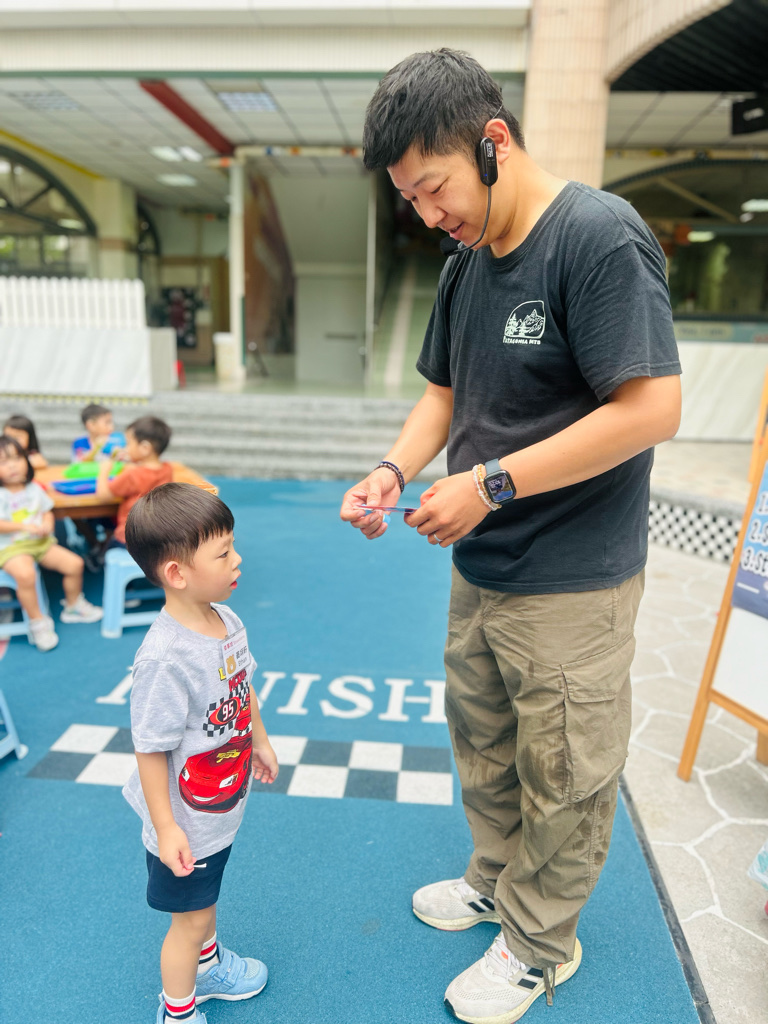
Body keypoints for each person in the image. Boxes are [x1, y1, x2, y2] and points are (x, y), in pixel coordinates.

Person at [340, 48, 682, 1024]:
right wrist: (394, 469)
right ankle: (496, 880)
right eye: (410, 199)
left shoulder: (597, 238)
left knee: (566, 771)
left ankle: (538, 943)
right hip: (482, 569)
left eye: (434, 187)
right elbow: (441, 395)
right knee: (486, 744)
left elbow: (652, 408)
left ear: (493, 141)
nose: (428, 215)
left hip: (575, 576)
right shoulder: (466, 265)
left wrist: (491, 484)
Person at [121, 482, 278, 1024]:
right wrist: (166, 828)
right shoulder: (165, 659)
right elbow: (149, 748)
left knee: (204, 902)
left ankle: (208, 968)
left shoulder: (226, 620)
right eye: (223, 553)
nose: (238, 560)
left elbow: (242, 682)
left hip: (217, 809)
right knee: (187, 922)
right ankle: (178, 1012)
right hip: (185, 823)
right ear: (177, 573)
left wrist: (259, 738)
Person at [0, 435, 102, 651]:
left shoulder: (34, 488)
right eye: (3, 462)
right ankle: (38, 623)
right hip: (11, 548)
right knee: (26, 575)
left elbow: (47, 511)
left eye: (17, 458)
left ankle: (73, 606)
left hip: (40, 543)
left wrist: (47, 524)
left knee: (75, 564)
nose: (12, 466)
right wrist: (24, 527)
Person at [94, 416, 174, 549]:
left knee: (106, 544)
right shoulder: (167, 469)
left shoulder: (133, 475)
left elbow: (103, 495)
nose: (126, 448)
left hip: (129, 537)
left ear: (145, 448)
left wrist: (104, 470)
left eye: (129, 443)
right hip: (156, 537)